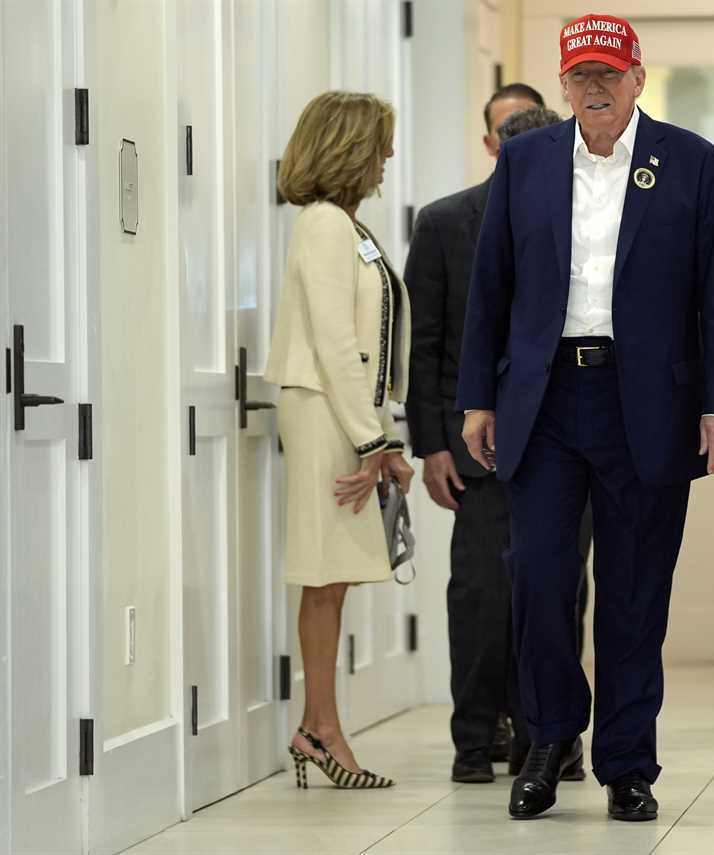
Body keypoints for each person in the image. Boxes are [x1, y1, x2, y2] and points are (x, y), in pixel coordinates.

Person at [457, 12, 714, 822]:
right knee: (541, 578)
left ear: (636, 78)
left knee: (633, 590)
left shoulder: (687, 160)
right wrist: (478, 396)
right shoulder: (524, 161)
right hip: (544, 400)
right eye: (580, 75)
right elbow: (492, 289)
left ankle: (628, 761)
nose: (595, 88)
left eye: (608, 75)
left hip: (645, 401)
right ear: (563, 83)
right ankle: (549, 740)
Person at [405, 94, 595, 785]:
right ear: (496, 147)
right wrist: (431, 445)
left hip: (568, 447)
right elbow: (423, 348)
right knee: (483, 598)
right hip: (477, 454)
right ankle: (475, 738)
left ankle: (548, 736)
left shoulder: (588, 222)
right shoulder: (446, 222)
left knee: (557, 595)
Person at [266, 91, 413, 790]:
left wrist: (384, 431)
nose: (387, 157)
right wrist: (370, 439)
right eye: (380, 144)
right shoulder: (324, 225)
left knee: (335, 577)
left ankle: (314, 722)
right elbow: (334, 340)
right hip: (326, 410)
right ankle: (321, 728)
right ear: (351, 146)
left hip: (343, 410)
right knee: (325, 576)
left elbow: (372, 341)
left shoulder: (348, 226)